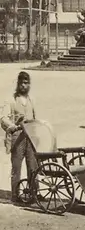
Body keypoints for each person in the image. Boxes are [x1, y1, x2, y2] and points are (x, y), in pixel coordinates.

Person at [0, 72, 38, 203]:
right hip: (17, 138)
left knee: (33, 166)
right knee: (16, 167)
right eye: (21, 83)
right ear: (18, 84)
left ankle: (34, 193)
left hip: (31, 137)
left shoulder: (31, 100)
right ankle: (15, 195)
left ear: (29, 84)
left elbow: (35, 118)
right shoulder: (11, 100)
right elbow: (3, 118)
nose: (23, 85)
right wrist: (12, 126)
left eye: (26, 83)